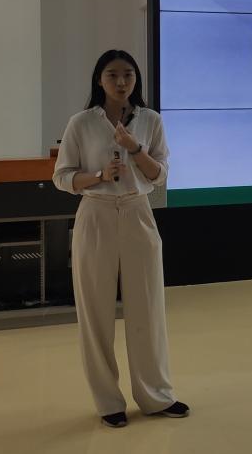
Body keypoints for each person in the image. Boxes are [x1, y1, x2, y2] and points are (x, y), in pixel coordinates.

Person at [53, 49, 189, 428]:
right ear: (99, 80)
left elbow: (159, 175)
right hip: (95, 213)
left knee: (148, 307)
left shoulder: (150, 120)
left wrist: (134, 148)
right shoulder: (81, 123)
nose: (121, 82)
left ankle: (156, 396)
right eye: (112, 75)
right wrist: (99, 176)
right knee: (95, 312)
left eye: (128, 74)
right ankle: (108, 402)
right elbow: (62, 177)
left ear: (135, 79)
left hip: (136, 211)